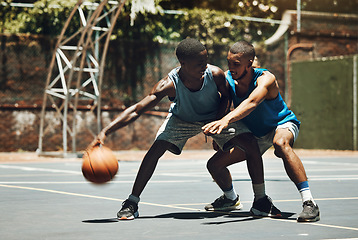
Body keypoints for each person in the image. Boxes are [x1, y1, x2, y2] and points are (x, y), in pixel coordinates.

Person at [87, 38, 271, 220]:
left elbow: (226, 96)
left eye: (205, 61)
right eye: (199, 63)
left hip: (214, 117)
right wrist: (105, 131)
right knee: (155, 150)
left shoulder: (215, 74)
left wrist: (219, 119)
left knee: (250, 143)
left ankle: (260, 200)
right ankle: (132, 202)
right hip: (182, 119)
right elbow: (137, 109)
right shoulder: (169, 84)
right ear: (183, 63)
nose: (204, 66)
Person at [202, 40, 320, 222]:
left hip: (280, 125)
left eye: (236, 64)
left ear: (249, 63)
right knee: (214, 165)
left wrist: (225, 120)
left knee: (280, 144)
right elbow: (223, 102)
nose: (231, 68)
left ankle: (309, 203)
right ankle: (232, 199)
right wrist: (219, 136)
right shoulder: (228, 79)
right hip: (255, 134)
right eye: (229, 63)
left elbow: (252, 102)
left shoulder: (266, 78)